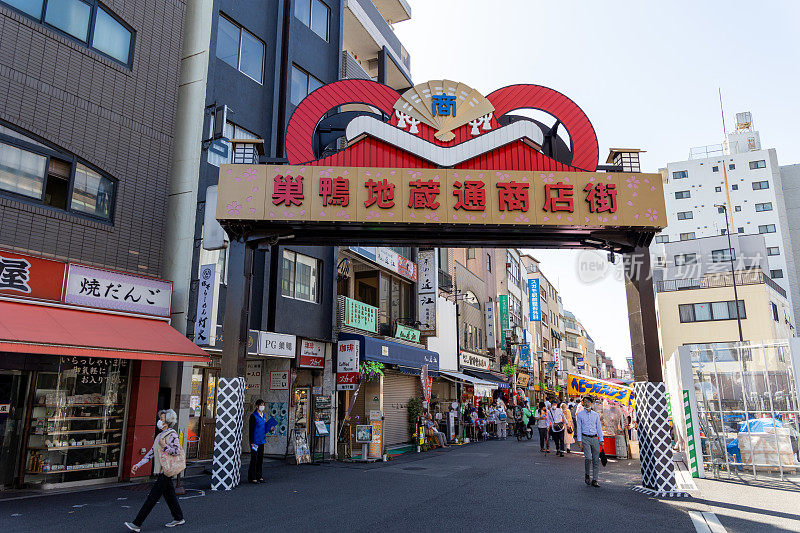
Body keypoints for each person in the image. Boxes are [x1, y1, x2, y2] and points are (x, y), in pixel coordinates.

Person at [125, 409, 184, 531]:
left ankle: (137, 523)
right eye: (160, 419)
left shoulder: (171, 434)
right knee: (170, 495)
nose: (159, 421)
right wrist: (138, 464)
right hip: (162, 471)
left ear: (167, 422)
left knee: (152, 497)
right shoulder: (159, 436)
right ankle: (178, 518)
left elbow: (177, 451)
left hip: (166, 471)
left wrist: (165, 446)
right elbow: (151, 453)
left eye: (162, 419)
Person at [576, 395, 604, 487]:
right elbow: (579, 428)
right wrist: (579, 441)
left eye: (588, 401)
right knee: (588, 458)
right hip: (585, 438)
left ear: (591, 403)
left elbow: (599, 428)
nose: (586, 403)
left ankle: (595, 479)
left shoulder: (595, 415)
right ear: (583, 403)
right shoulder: (580, 415)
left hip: (595, 438)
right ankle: (587, 474)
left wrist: (601, 439)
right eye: (585, 401)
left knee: (596, 460)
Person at [248, 399, 267, 484]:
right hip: (255, 441)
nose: (262, 406)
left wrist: (270, 428)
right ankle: (252, 477)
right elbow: (251, 430)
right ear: (257, 406)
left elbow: (264, 427)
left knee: (260, 458)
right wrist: (251, 441)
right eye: (261, 405)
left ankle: (259, 476)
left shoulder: (264, 416)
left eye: (263, 405)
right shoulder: (253, 416)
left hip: (262, 440)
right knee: (254, 459)